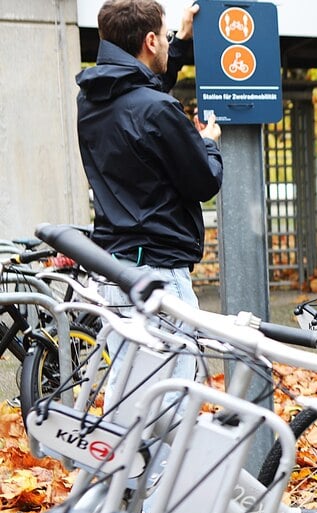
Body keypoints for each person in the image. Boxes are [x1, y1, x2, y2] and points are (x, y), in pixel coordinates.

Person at [75, 0, 223, 395]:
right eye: (166, 37)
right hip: (160, 275)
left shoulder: (90, 100)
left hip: (116, 271)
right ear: (150, 40)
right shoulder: (158, 109)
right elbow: (204, 182)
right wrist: (208, 145)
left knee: (130, 391)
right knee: (171, 399)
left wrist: (181, 42)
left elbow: (137, 92)